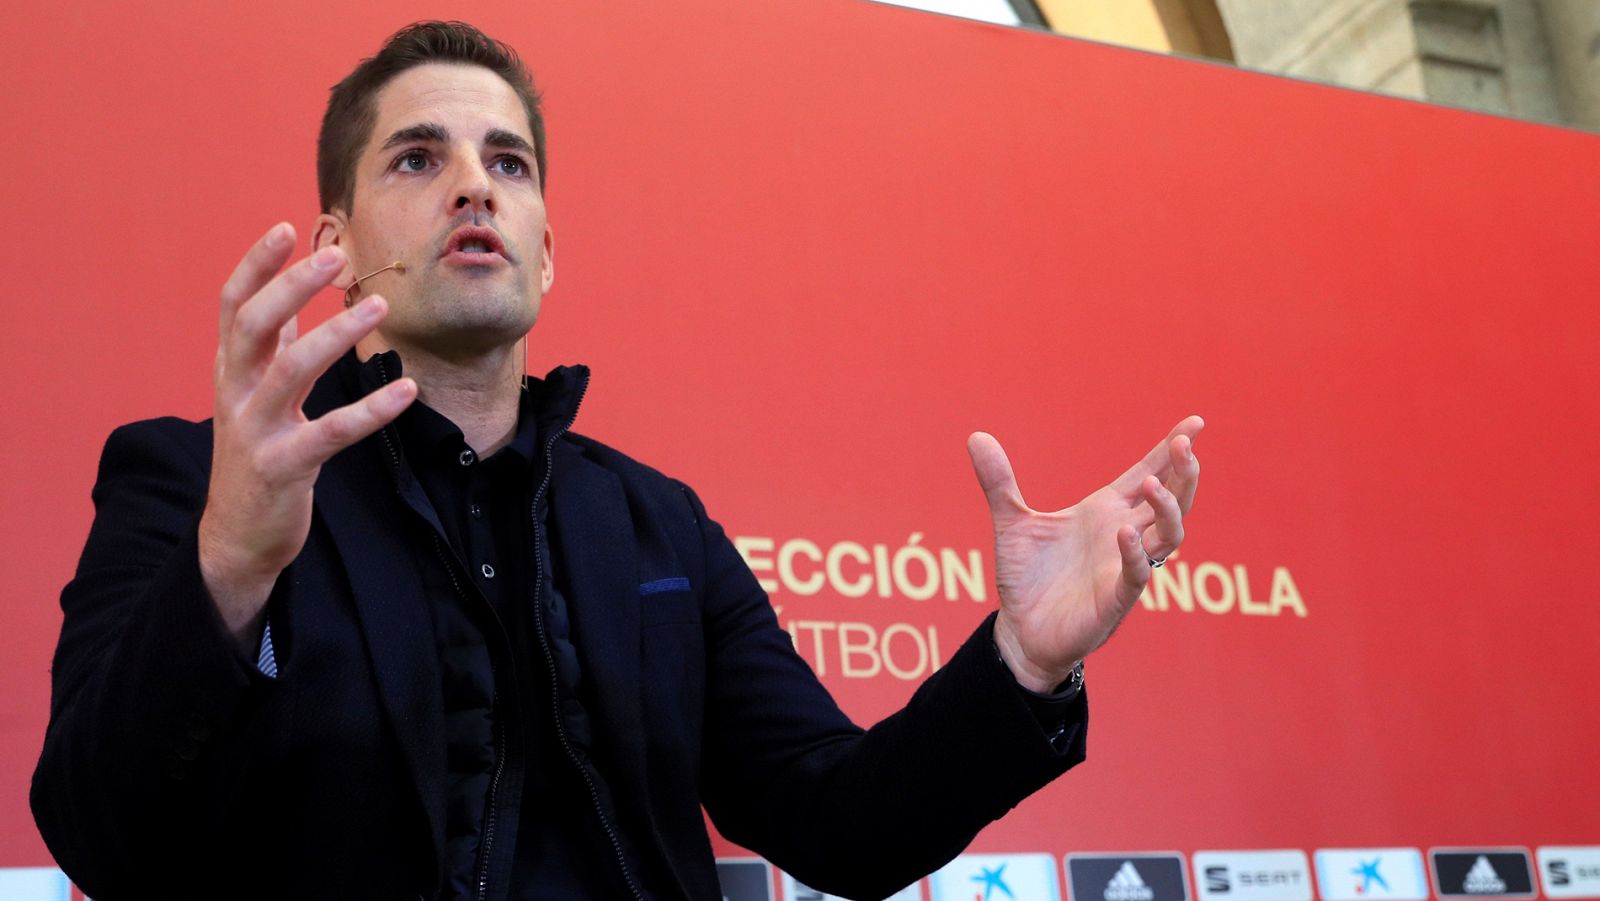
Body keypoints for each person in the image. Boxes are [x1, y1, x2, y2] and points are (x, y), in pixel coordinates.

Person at [31, 21, 1203, 901]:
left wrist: (1022, 663)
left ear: (549, 250)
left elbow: (842, 821)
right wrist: (230, 566)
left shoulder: (655, 524)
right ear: (335, 241)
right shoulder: (194, 484)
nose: (473, 183)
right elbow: (95, 830)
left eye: (509, 162)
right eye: (415, 160)